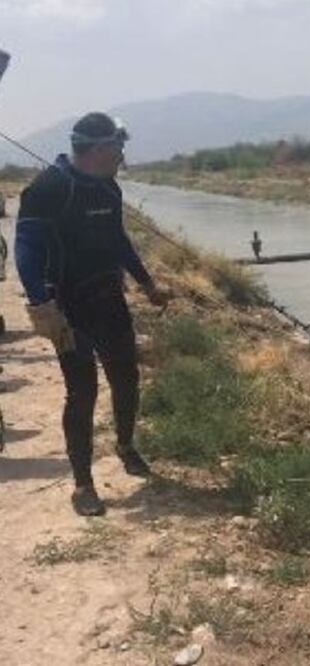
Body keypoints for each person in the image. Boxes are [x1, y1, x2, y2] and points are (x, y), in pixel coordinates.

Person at [15, 112, 168, 516]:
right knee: (82, 392)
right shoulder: (49, 188)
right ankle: (83, 485)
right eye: (118, 146)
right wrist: (39, 302)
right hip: (68, 309)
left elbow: (118, 240)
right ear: (100, 148)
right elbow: (26, 249)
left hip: (109, 300)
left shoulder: (108, 188)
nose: (122, 154)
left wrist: (146, 283)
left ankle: (126, 444)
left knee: (127, 377)